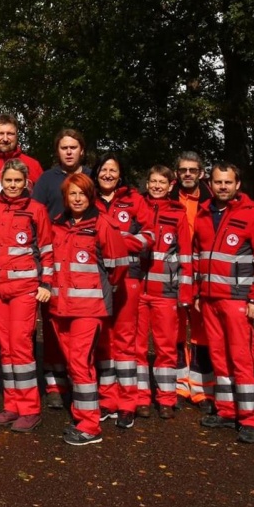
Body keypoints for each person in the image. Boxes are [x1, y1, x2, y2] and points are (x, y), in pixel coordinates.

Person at [193, 163, 254, 444]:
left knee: (243, 358)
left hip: (238, 300)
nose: (223, 187)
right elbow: (196, 256)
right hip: (209, 300)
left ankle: (250, 418)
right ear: (211, 184)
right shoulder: (203, 215)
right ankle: (227, 411)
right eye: (218, 182)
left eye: (228, 182)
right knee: (219, 356)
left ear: (237, 184)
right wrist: (195, 293)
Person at [0, 159, 53, 432]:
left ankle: (30, 409)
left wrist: (47, 283)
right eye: (8, 180)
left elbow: (46, 250)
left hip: (24, 291)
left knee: (21, 347)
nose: (13, 185)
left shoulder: (37, 210)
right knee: (5, 348)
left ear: (26, 182)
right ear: (1, 180)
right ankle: (12, 406)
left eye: (18, 181)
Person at [50, 173, 129, 445]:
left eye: (82, 193)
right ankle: (84, 414)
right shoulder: (57, 225)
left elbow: (118, 265)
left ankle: (89, 425)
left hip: (89, 308)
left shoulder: (102, 224)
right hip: (60, 308)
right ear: (65, 197)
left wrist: (104, 289)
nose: (77, 198)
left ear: (90, 195)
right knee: (74, 363)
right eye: (72, 194)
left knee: (80, 363)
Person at [91, 152, 155, 429]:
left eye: (113, 170)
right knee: (104, 340)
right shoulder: (88, 199)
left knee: (126, 340)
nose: (107, 174)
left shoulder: (134, 200)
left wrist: (117, 243)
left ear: (120, 175)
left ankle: (128, 403)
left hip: (129, 277)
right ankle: (107, 400)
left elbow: (149, 235)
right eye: (103, 169)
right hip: (96, 280)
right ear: (96, 173)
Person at [32, 128, 90, 408]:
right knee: (54, 321)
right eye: (64, 147)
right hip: (54, 260)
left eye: (73, 147)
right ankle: (55, 382)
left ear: (82, 150)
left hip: (84, 264)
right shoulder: (46, 180)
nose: (69, 152)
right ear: (58, 151)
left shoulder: (92, 176)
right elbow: (35, 218)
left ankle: (82, 380)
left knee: (83, 324)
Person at [136, 165, 192, 419]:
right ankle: (140, 397)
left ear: (171, 186)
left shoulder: (178, 214)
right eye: (153, 181)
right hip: (137, 290)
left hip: (165, 292)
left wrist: (185, 291)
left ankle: (167, 399)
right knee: (136, 347)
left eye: (162, 182)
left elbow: (186, 255)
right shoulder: (138, 207)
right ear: (147, 183)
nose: (157, 186)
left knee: (165, 346)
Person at [170, 152, 214, 412]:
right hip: (173, 271)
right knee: (174, 328)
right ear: (177, 173)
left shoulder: (212, 201)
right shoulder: (166, 198)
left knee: (201, 331)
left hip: (201, 272)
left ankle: (203, 390)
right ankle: (177, 386)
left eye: (192, 170)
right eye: (183, 169)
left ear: (201, 173)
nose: (187, 174)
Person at [0, 114, 44, 186]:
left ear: (17, 136)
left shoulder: (33, 165)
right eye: (0, 134)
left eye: (10, 134)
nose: (5, 139)